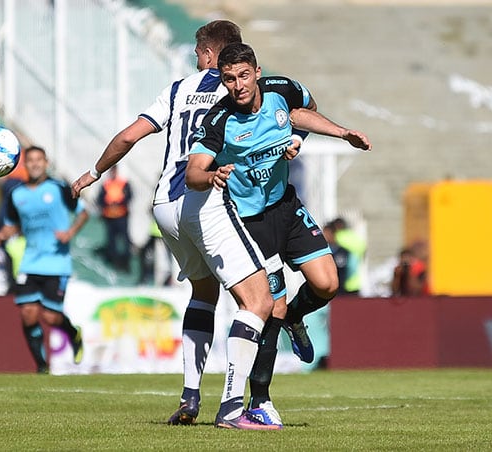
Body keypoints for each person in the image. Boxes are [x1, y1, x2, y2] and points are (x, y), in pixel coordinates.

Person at [71, 20, 281, 430]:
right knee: (258, 301)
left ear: (205, 52)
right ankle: (233, 409)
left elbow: (130, 137)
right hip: (206, 198)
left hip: (166, 204)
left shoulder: (177, 89)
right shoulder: (238, 86)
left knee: (203, 290)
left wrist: (94, 173)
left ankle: (189, 395)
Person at [186, 42, 371, 425]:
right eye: (228, 79)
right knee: (273, 306)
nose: (237, 86)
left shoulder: (282, 89)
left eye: (242, 76)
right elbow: (194, 171)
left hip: (286, 207)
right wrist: (212, 176)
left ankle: (294, 321)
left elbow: (304, 110)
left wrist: (336, 134)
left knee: (327, 284)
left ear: (256, 71)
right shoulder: (220, 121)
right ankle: (260, 401)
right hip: (250, 224)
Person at [0, 145, 89, 374]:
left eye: (39, 160)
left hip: (56, 262)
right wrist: (2, 234)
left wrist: (70, 233)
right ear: (24, 164)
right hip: (30, 262)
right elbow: (11, 225)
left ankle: (74, 334)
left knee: (51, 317)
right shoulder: (17, 194)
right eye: (31, 160)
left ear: (46, 163)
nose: (35, 164)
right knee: (28, 314)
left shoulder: (59, 188)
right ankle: (41, 366)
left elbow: (83, 213)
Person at [96, 165, 133, 271]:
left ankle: (126, 264)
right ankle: (114, 263)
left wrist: (118, 203)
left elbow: (129, 196)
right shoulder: (106, 185)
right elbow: (100, 199)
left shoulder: (123, 183)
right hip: (109, 216)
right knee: (111, 242)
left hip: (121, 216)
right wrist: (106, 206)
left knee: (125, 241)